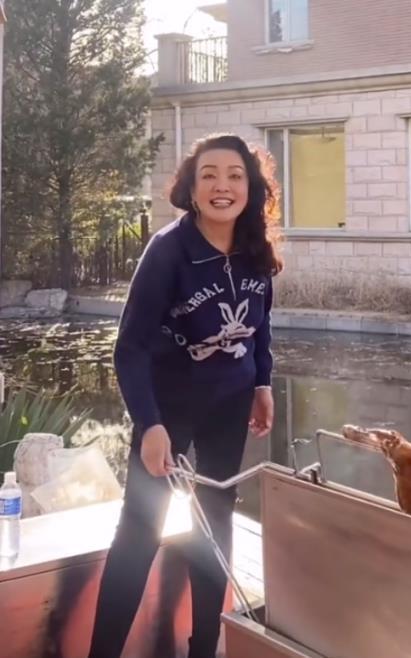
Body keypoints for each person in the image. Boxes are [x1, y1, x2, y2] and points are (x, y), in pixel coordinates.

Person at [87, 133, 283, 658]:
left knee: (215, 524)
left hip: (230, 403)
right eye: (209, 175)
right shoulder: (168, 251)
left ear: (250, 187)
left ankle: (203, 650)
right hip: (169, 407)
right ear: (192, 190)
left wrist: (262, 382)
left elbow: (261, 325)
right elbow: (129, 348)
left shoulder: (255, 247)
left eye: (235, 176)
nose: (223, 186)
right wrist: (150, 423)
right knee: (140, 532)